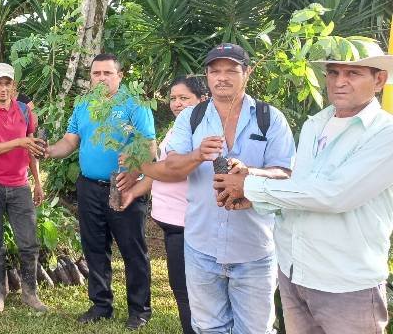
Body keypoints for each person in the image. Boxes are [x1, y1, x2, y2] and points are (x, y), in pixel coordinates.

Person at [213, 43, 393, 333]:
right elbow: (302, 186)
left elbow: (334, 194)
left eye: (353, 73)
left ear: (379, 80)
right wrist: (256, 194)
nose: (339, 81)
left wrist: (250, 186)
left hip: (345, 283)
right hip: (295, 272)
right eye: (333, 73)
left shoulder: (385, 133)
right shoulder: (315, 124)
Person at [159, 43, 296, 333]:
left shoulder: (269, 118)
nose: (222, 77)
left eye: (231, 70)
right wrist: (197, 154)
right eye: (215, 71)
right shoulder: (191, 118)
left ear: (247, 72)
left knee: (255, 330)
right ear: (207, 76)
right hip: (201, 247)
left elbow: (286, 175)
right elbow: (172, 168)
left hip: (254, 250)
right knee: (209, 328)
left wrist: (251, 175)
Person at [44, 53, 156, 330]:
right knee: (95, 248)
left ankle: (139, 310)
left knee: (133, 250)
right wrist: (48, 151)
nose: (102, 78)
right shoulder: (83, 104)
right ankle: (101, 305)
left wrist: (132, 169)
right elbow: (70, 141)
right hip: (89, 186)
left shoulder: (134, 103)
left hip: (124, 187)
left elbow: (149, 146)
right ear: (90, 76)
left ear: (120, 76)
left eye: (108, 73)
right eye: (97, 73)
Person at [117, 75, 208, 334]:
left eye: (184, 98)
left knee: (189, 291)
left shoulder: (199, 128)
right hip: (173, 224)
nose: (177, 104)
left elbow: (174, 171)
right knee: (181, 289)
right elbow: (160, 173)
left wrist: (140, 164)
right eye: (173, 98)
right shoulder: (179, 127)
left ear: (202, 99)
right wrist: (135, 191)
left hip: (187, 224)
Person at [0, 63, 47, 313]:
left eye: (8, 83)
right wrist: (20, 141)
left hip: (19, 185)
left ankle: (30, 293)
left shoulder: (25, 111)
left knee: (29, 241)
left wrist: (36, 181)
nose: (3, 88)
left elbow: (32, 149)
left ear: (14, 86)